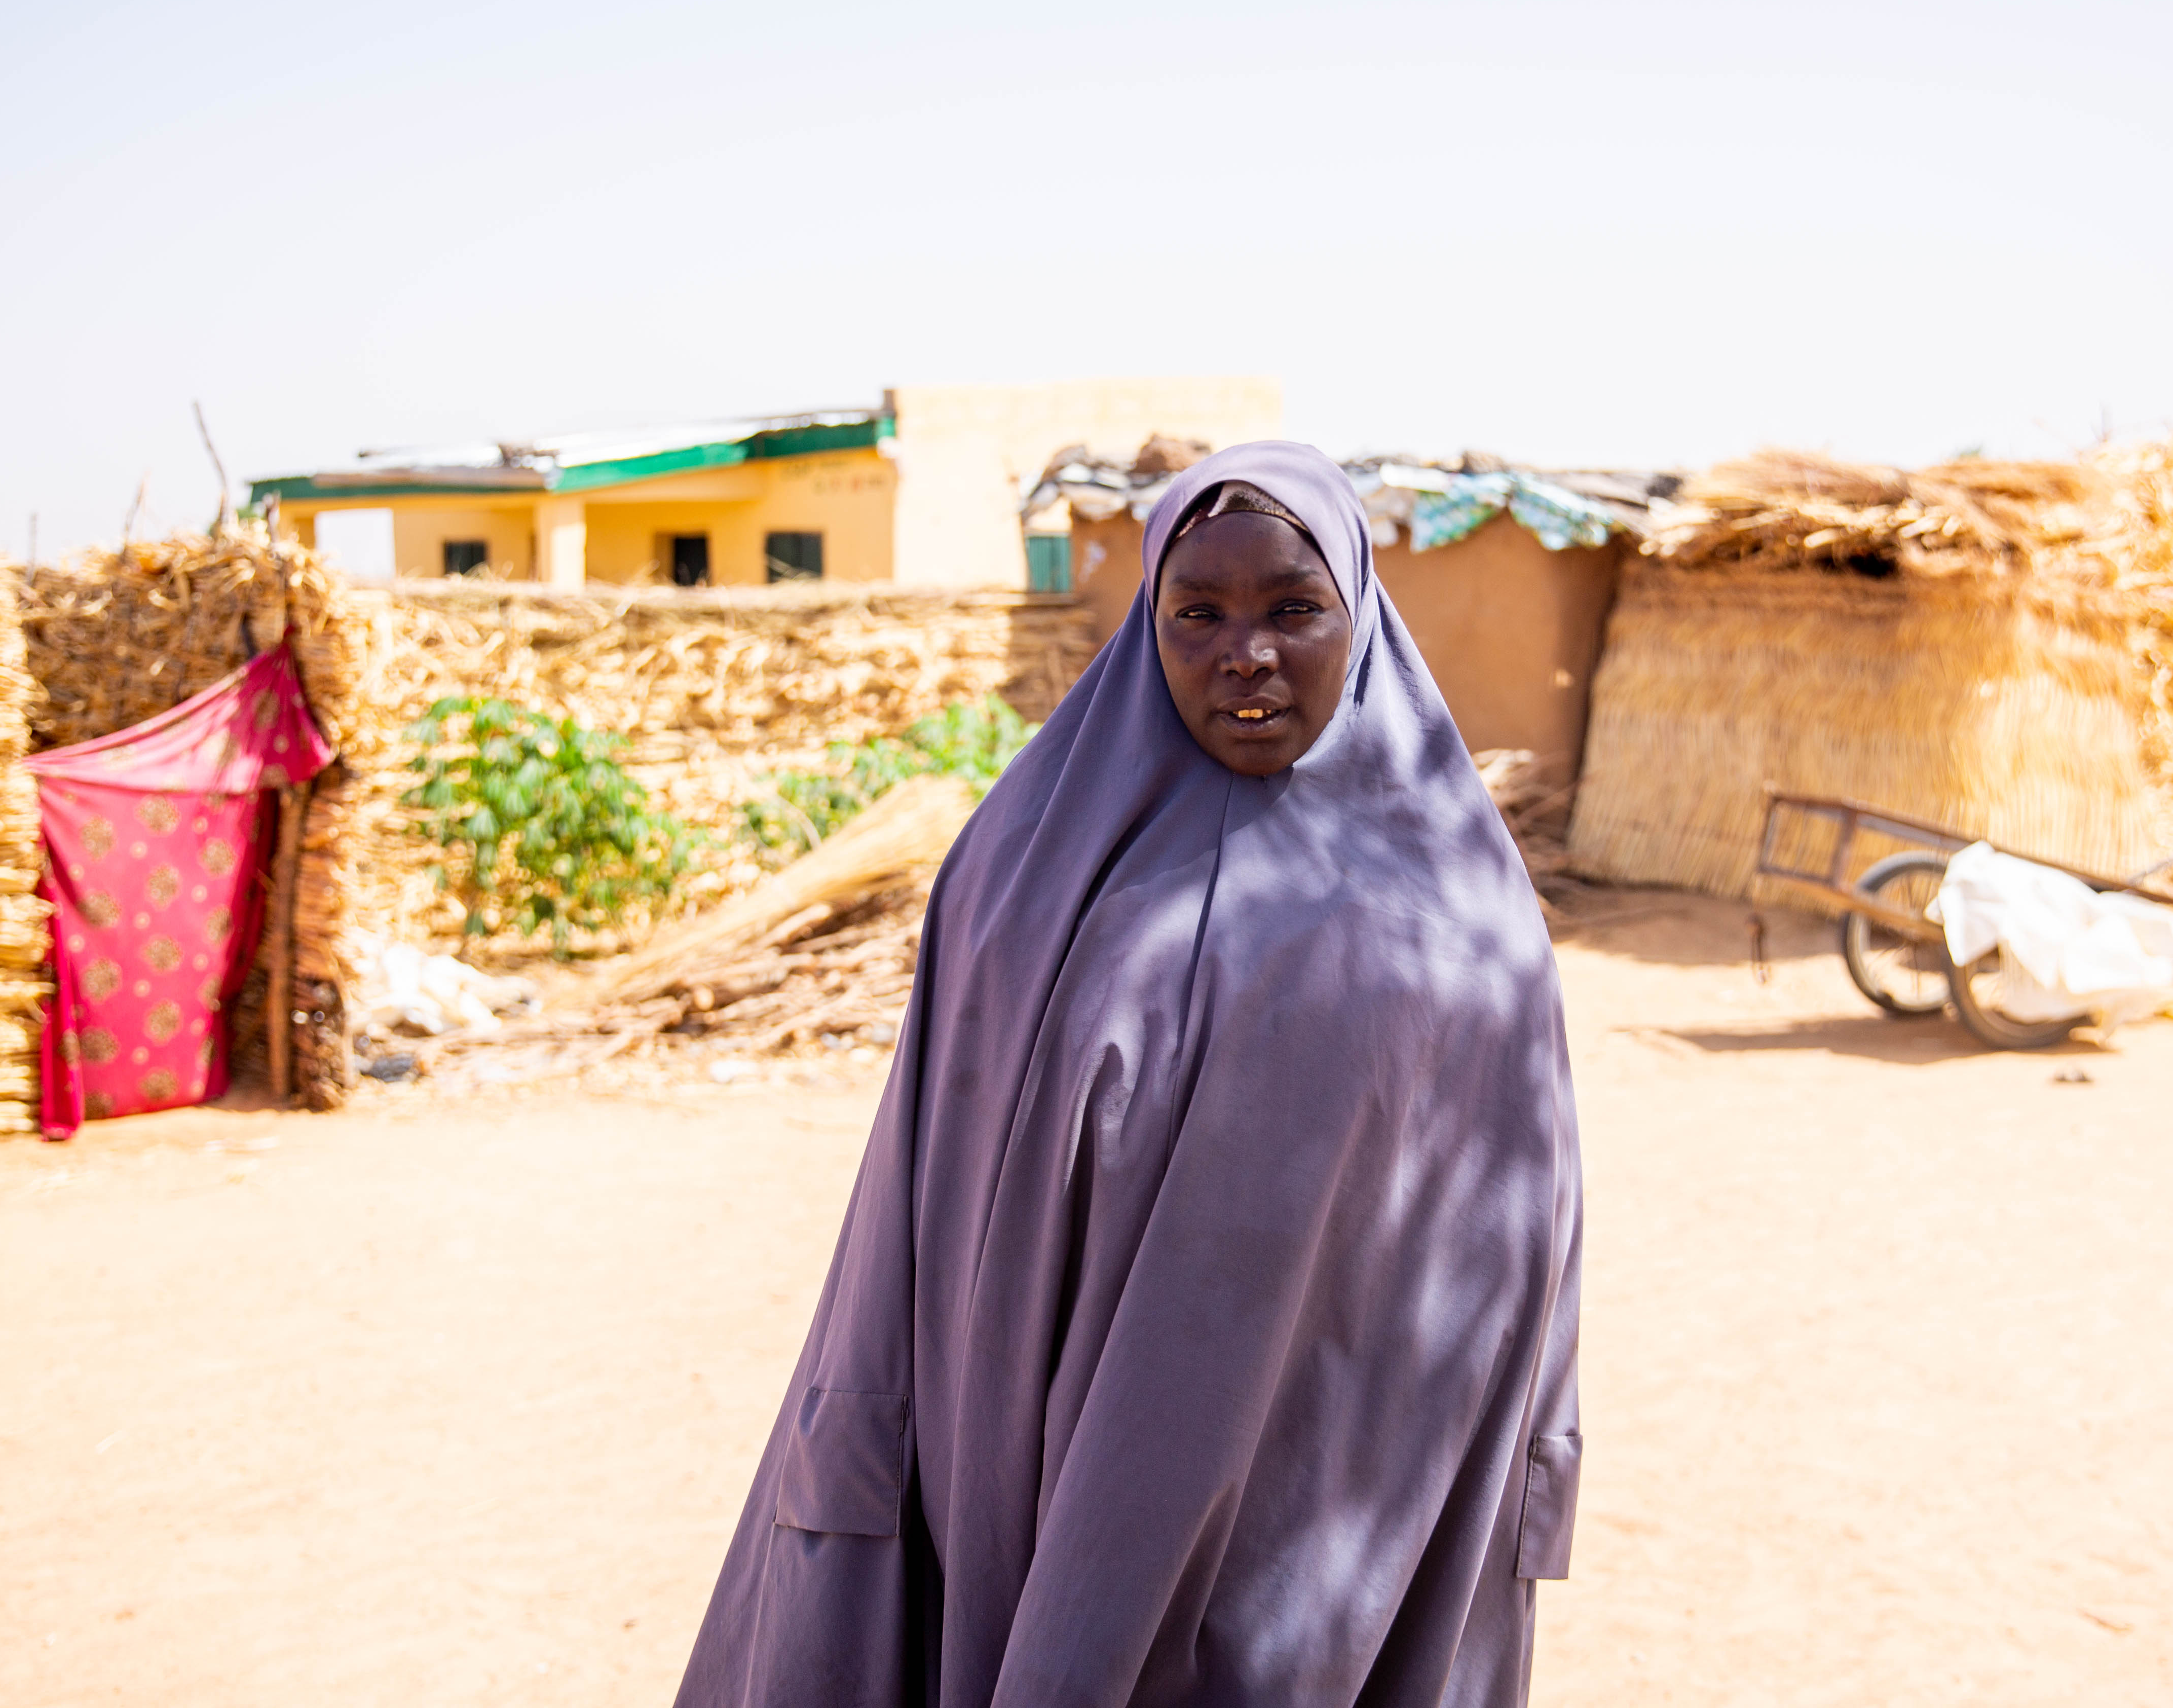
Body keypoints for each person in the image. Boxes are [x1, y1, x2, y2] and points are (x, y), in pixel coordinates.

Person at [675, 440, 1584, 1707]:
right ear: (1148, 622)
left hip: (1334, 1509)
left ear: (1361, 615)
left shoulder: (1461, 916)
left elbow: (1517, 1251)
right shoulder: (1022, 877)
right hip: (1031, 1477)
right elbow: (920, 1212)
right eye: (1197, 613)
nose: (1244, 653)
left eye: (1292, 609)